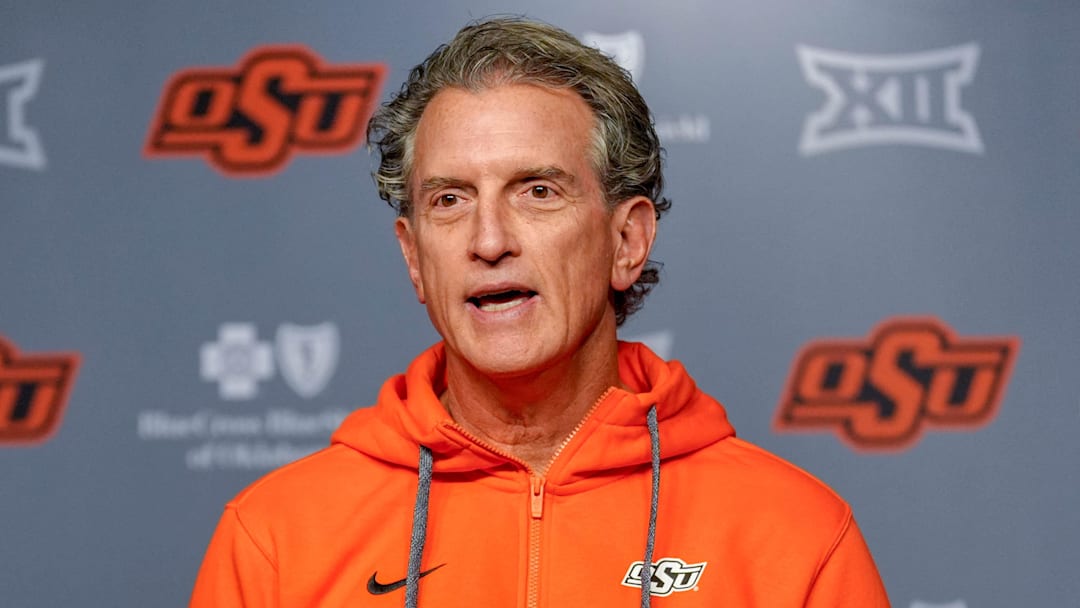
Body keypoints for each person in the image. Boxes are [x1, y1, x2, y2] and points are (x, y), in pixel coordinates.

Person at [190, 17, 890, 607]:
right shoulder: (275, 539)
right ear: (414, 259)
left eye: (537, 192)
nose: (489, 241)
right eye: (449, 200)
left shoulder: (795, 536)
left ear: (627, 240)